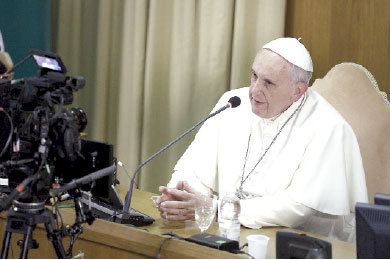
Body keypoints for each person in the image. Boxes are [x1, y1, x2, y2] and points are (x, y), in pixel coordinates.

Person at [155, 37, 368, 242]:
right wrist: (178, 197)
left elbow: (297, 208)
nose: (254, 90)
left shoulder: (328, 126)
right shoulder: (233, 103)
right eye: (254, 76)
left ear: (298, 91)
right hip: (231, 233)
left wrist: (216, 209)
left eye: (268, 83)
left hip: (300, 245)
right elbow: (194, 170)